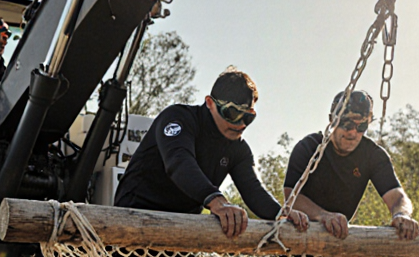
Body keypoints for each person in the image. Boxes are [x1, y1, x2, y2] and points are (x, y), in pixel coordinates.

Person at [113, 66, 306, 238]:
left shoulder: (238, 149)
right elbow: (179, 162)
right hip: (135, 215)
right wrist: (215, 200)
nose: (240, 125)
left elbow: (253, 190)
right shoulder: (179, 118)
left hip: (182, 226)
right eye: (232, 114)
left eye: (248, 117)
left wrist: (281, 213)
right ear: (210, 103)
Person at [282, 90, 419, 241]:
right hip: (301, 237)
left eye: (361, 127)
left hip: (339, 240)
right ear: (332, 120)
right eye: (347, 124)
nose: (353, 133)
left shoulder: (372, 155)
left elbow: (397, 196)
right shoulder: (309, 147)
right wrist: (323, 216)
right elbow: (291, 196)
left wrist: (401, 214)